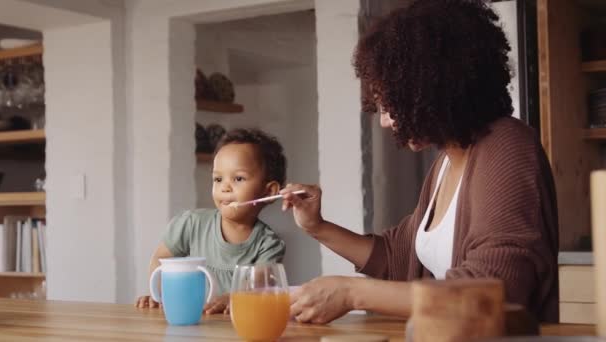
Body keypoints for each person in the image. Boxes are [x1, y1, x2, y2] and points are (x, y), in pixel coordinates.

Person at [281, 0, 558, 324]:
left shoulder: (507, 146)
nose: (384, 121)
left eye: (390, 103)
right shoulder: (445, 163)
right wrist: (317, 226)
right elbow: (396, 257)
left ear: (433, 90)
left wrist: (352, 292)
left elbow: (494, 290)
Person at [136, 128, 287, 314]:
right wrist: (157, 294)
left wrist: (231, 298)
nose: (225, 187)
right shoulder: (191, 223)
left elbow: (257, 284)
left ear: (269, 192)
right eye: (218, 179)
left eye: (238, 178)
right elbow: (161, 260)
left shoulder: (269, 244)